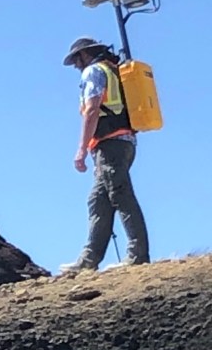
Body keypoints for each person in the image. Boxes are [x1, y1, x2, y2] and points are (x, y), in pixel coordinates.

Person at [63, 36, 150, 272]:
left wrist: (81, 149)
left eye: (76, 60)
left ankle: (137, 255)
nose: (76, 66)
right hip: (124, 142)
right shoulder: (112, 70)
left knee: (120, 195)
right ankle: (88, 260)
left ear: (84, 55)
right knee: (98, 200)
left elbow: (91, 110)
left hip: (110, 143)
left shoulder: (93, 71)